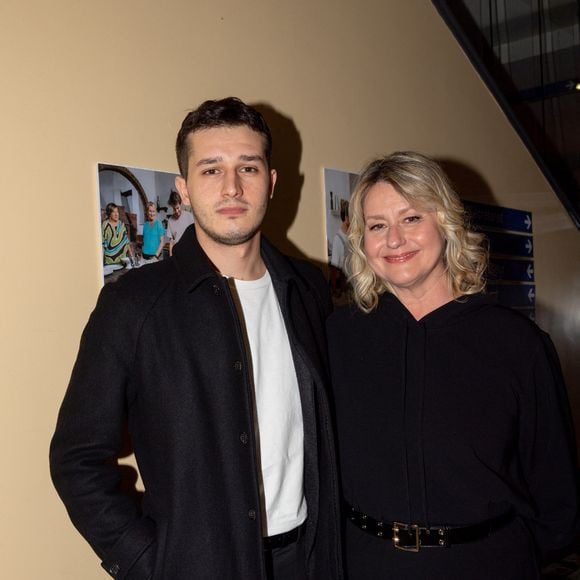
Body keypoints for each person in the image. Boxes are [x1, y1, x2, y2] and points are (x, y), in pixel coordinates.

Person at [50, 97, 342, 580]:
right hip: (199, 565)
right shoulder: (134, 304)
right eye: (211, 170)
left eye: (248, 167)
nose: (231, 186)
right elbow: (76, 459)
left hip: (309, 559)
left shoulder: (308, 289)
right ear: (183, 190)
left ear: (270, 183)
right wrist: (147, 561)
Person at [327, 151, 578, 579]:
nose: (394, 240)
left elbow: (556, 492)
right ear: (361, 242)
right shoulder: (336, 337)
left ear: (444, 222)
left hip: (488, 563)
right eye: (377, 225)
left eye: (411, 219)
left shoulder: (516, 343)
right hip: (368, 564)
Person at [102, 202, 134, 269]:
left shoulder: (121, 224)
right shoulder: (105, 225)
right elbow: (102, 244)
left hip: (122, 261)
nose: (116, 214)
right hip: (109, 262)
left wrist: (132, 258)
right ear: (109, 213)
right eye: (114, 212)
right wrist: (101, 263)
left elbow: (126, 241)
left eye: (117, 212)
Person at [329, 202, 349, 296]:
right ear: (346, 218)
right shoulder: (338, 239)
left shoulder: (351, 236)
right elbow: (334, 268)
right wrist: (335, 291)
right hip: (345, 289)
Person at [166, 190, 194, 256]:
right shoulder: (170, 220)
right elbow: (171, 240)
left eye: (178, 208)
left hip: (189, 251)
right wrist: (170, 255)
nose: (176, 211)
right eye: (174, 209)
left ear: (180, 204)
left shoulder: (189, 216)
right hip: (177, 253)